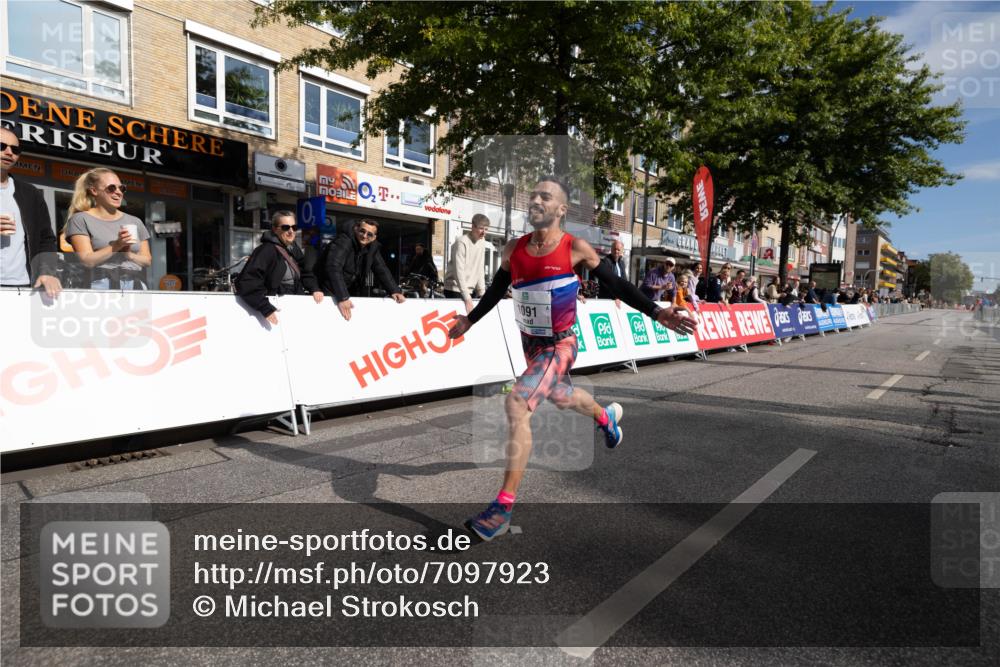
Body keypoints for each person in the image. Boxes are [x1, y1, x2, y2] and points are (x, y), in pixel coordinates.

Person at [447, 177, 697, 541]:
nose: (536, 200)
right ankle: (605, 417)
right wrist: (469, 320)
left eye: (545, 196)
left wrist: (657, 313)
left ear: (561, 209)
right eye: (533, 194)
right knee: (562, 397)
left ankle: (502, 509)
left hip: (560, 345)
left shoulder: (575, 248)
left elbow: (616, 284)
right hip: (531, 345)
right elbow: (498, 288)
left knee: (517, 403)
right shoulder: (513, 250)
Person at [65, 167, 151, 290]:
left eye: (122, 188)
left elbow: (147, 260)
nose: (119, 192)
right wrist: (117, 245)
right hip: (100, 285)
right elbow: (87, 261)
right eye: (111, 188)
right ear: (94, 191)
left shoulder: (135, 221)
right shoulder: (80, 219)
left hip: (135, 284)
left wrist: (129, 255)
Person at [0, 126, 60, 297]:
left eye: (15, 149)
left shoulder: (30, 193)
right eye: (1, 146)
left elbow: (46, 238)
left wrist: (47, 271)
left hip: (22, 286)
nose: (9, 152)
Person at [235, 211, 324, 324]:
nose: (291, 231)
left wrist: (314, 288)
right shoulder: (266, 250)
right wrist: (265, 308)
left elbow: (305, 272)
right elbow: (247, 281)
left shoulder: (293, 249)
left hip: (295, 306)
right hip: (275, 309)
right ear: (275, 229)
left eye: (294, 227)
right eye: (286, 227)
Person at [318, 218, 405, 321]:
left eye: (369, 234)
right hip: (330, 290)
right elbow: (333, 267)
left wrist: (394, 290)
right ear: (356, 229)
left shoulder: (372, 247)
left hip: (349, 291)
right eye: (362, 231)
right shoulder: (344, 241)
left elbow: (381, 268)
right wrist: (343, 297)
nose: (364, 236)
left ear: (374, 237)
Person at [444, 214, 489, 313]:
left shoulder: (482, 242)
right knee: (457, 321)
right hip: (454, 289)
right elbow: (458, 271)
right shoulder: (461, 242)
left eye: (486, 229)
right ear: (472, 227)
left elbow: (480, 268)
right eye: (481, 228)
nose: (484, 232)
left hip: (470, 291)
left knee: (471, 320)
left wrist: (482, 292)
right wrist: (467, 297)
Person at [596, 239, 627, 307]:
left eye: (618, 250)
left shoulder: (622, 263)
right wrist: (615, 297)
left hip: (618, 299)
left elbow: (624, 281)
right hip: (607, 299)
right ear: (611, 249)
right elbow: (605, 282)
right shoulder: (606, 261)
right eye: (614, 249)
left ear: (622, 251)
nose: (616, 251)